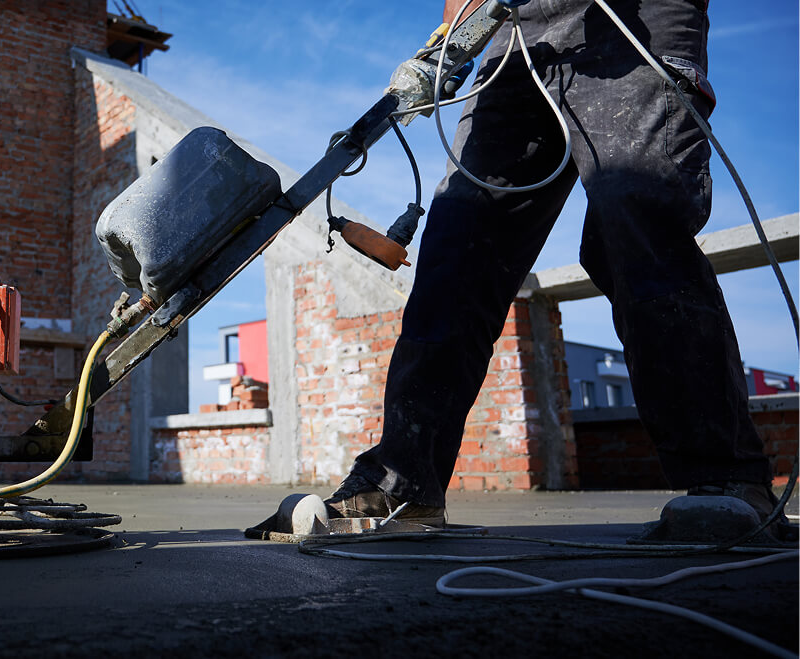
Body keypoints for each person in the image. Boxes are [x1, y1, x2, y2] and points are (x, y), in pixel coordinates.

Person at [324, 0, 783, 536]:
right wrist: (446, 40)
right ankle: (403, 484)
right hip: (513, 36)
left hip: (635, 19)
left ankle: (728, 481)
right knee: (459, 251)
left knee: (634, 221)